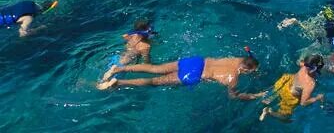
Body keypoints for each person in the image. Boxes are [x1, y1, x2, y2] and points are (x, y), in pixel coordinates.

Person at [98, 49, 265, 99]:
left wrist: (252, 63)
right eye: (251, 72)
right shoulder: (233, 78)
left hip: (196, 61)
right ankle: (118, 83)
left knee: (155, 68)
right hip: (195, 75)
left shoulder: (237, 59)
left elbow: (250, 59)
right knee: (154, 81)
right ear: (245, 69)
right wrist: (255, 95)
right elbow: (233, 96)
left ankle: (118, 69)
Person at [259, 55, 325, 121]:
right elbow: (303, 103)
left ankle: (262, 96)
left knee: (271, 94)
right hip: (290, 94)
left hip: (285, 80)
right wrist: (317, 98)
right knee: (286, 118)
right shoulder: (310, 83)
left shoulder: (303, 65)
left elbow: (299, 61)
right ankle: (269, 112)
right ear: (315, 68)